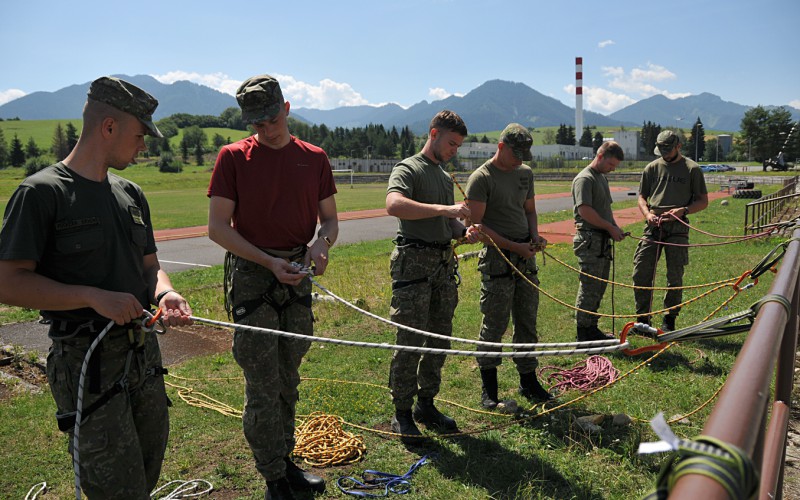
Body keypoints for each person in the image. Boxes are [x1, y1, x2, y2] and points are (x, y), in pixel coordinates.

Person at [0, 76, 193, 498]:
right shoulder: (41, 193)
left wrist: (165, 293)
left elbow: (150, 267)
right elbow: (8, 283)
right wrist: (91, 296)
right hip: (87, 364)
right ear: (109, 127)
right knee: (114, 487)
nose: (144, 145)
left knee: (146, 468)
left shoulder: (131, 194)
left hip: (144, 359)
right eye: (140, 134)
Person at [207, 74, 338, 500]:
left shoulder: (314, 158)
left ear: (286, 107)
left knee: (288, 377)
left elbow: (331, 221)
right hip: (253, 277)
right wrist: (267, 262)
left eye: (270, 120)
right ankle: (273, 478)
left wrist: (320, 245)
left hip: (296, 275)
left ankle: (285, 462)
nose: (265, 130)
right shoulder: (232, 158)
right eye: (256, 124)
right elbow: (217, 229)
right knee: (262, 384)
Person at [385, 110, 469, 441]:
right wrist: (445, 211)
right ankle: (402, 413)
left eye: (459, 146)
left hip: (442, 266)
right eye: (451, 143)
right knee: (410, 340)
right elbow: (394, 205)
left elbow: (449, 224)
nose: (454, 150)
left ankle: (425, 403)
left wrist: (463, 230)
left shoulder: (444, 176)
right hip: (414, 264)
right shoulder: (408, 168)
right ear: (433, 134)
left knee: (439, 338)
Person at [464, 123, 553, 411]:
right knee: (494, 325)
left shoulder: (525, 174)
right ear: (500, 146)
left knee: (527, 321)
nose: (521, 159)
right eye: (516, 153)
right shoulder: (481, 178)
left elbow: (529, 210)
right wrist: (514, 247)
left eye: (525, 154)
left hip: (525, 257)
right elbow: (475, 226)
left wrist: (535, 236)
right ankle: (489, 390)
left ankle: (528, 381)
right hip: (498, 259)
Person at [632, 130, 708, 332]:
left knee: (674, 275)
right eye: (662, 150)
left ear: (678, 146)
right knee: (641, 272)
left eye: (668, 149)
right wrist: (647, 214)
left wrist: (684, 210)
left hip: (677, 226)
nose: (665, 154)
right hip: (653, 226)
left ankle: (669, 319)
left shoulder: (692, 169)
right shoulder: (651, 168)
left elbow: (703, 201)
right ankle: (643, 319)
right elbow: (641, 197)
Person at [571, 141, 626, 342]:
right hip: (590, 240)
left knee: (599, 286)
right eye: (611, 165)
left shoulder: (601, 178)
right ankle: (583, 332)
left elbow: (605, 209)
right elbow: (585, 211)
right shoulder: (584, 179)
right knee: (589, 287)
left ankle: (591, 327)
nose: (612, 169)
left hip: (601, 240)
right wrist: (609, 227)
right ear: (600, 156)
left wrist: (615, 227)